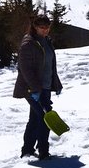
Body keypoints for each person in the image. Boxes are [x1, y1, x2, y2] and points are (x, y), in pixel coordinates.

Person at [13, 12, 63, 160]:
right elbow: (25, 69)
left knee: (35, 118)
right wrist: (35, 89)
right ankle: (43, 151)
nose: (45, 29)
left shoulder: (46, 41)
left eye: (48, 27)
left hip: (45, 87)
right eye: (42, 27)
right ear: (34, 27)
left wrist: (56, 84)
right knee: (45, 117)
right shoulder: (28, 43)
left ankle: (27, 149)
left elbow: (50, 65)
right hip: (32, 89)